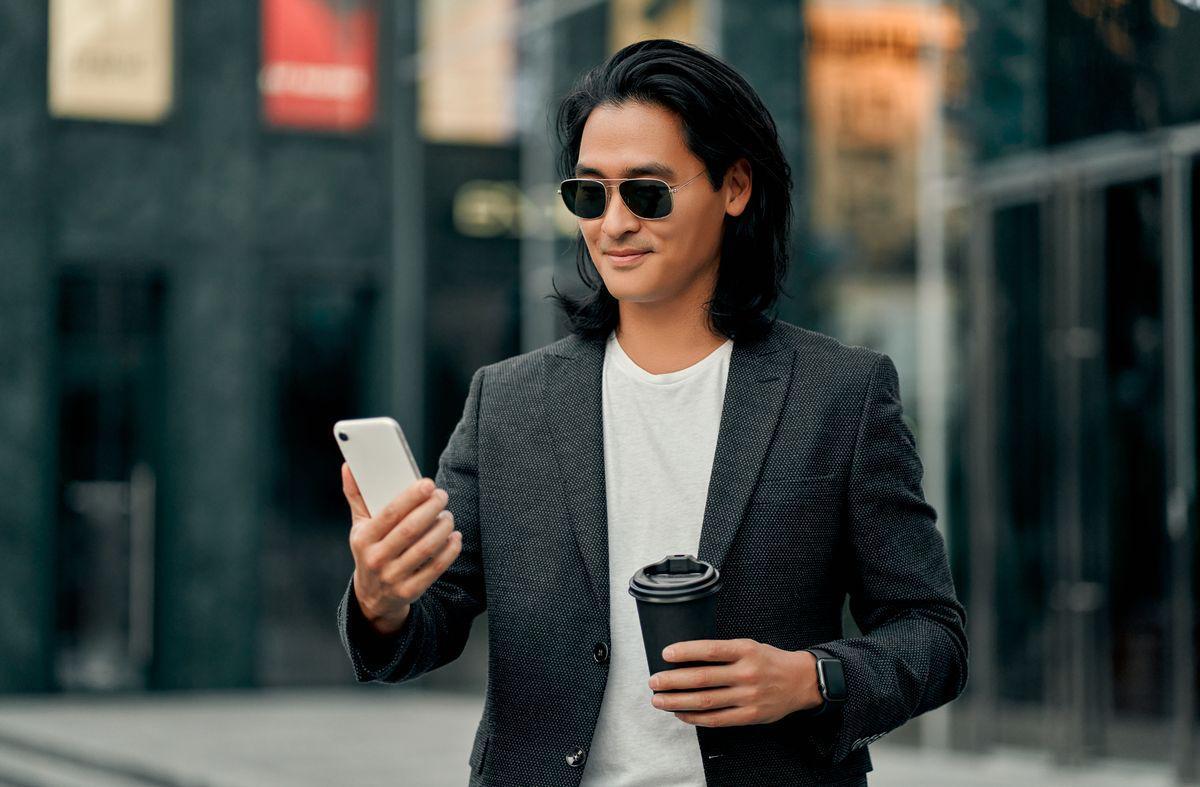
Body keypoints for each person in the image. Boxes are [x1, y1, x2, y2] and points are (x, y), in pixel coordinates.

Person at [337, 38, 968, 787]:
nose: (613, 223)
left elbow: (933, 634)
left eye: (648, 191)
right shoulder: (507, 402)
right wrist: (380, 599)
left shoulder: (842, 393)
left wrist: (810, 678)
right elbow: (427, 623)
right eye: (588, 194)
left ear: (735, 186)